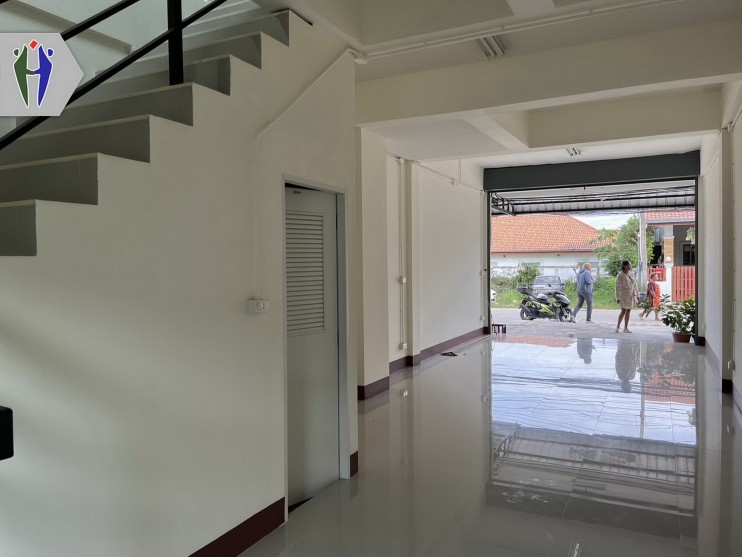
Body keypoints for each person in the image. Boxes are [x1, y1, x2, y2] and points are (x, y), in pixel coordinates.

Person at [615, 260, 639, 333]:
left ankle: (625, 328)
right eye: (628, 265)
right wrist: (618, 297)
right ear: (624, 266)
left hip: (631, 295)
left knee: (628, 310)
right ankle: (618, 326)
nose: (630, 266)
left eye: (630, 265)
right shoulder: (620, 275)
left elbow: (635, 285)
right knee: (623, 310)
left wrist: (637, 294)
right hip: (624, 295)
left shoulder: (632, 274)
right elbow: (618, 287)